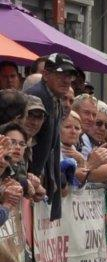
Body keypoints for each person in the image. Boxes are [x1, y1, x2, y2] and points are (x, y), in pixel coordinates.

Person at [26, 52, 74, 220]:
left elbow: (52, 147)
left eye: (70, 76)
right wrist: (33, 177)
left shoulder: (55, 99)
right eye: (61, 74)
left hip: (39, 184)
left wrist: (55, 181)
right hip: (31, 183)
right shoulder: (36, 96)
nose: (67, 80)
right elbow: (28, 142)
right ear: (45, 75)